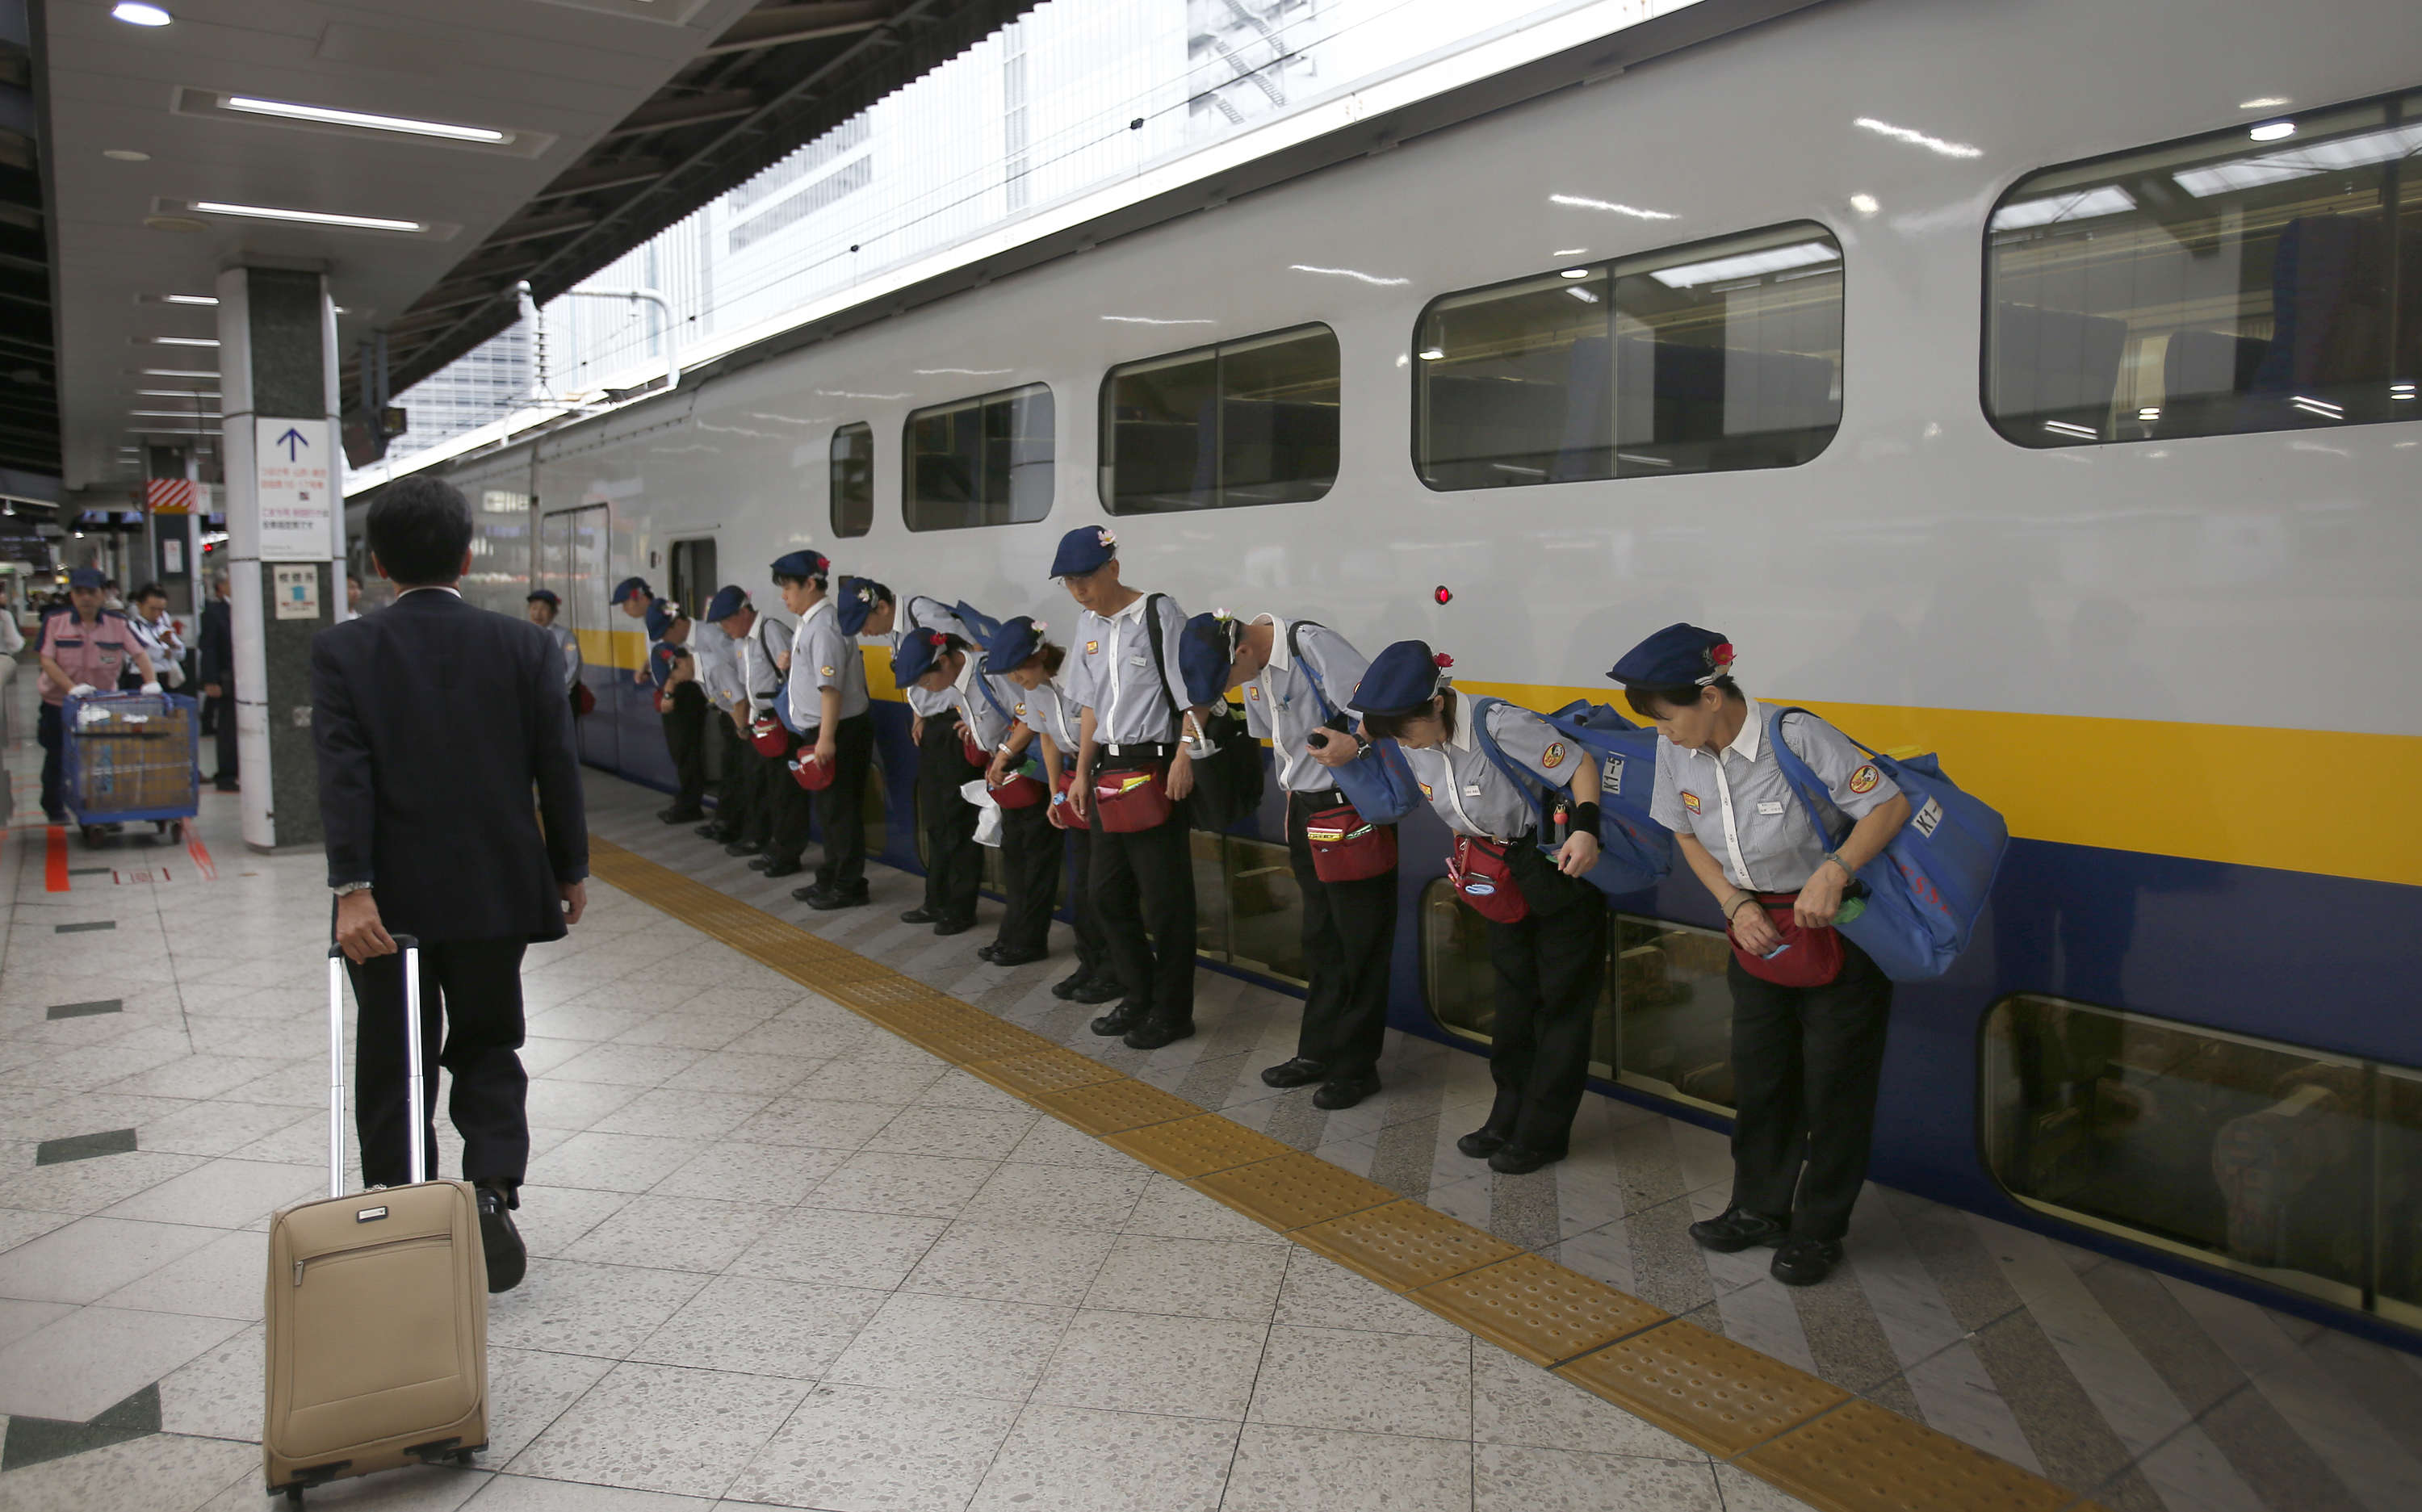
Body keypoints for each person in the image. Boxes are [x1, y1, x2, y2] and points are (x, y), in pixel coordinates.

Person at [312, 475, 589, 1296]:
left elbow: (344, 778)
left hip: (387, 901)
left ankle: (403, 1213)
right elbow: (556, 769)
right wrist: (568, 867)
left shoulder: (343, 650)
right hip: (493, 889)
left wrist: (351, 886)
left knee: (393, 1054)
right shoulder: (525, 645)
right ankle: (492, 1189)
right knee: (488, 1037)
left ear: (375, 562)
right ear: (468, 556)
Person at [1611, 623, 1911, 1286]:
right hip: (1758, 933)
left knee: (1835, 1087)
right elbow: (1684, 831)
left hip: (1840, 935)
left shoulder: (1794, 737)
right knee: (1762, 1076)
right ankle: (1757, 1208)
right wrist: (1732, 904)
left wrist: (1833, 871)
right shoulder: (1675, 750)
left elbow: (1887, 806)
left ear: (1711, 696)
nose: (1663, 731)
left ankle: (1819, 1228)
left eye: (1667, 717)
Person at [1349, 639, 1603, 1174]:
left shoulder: (1499, 724)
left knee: (1561, 1005)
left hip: (1552, 867)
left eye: (1406, 729)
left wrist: (1585, 829)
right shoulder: (1407, 729)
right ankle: (1506, 1111)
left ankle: (1544, 1131)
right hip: (1495, 874)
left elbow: (1580, 767)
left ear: (1437, 704)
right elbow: (1374, 734)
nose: (1403, 741)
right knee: (1512, 1001)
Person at [1209, 610, 1397, 1110]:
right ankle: (1317, 1051)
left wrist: (1355, 741)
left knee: (1361, 940)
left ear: (1243, 651)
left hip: (1349, 806)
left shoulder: (1312, 646)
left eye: (1226, 677)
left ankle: (1357, 1068)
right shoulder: (1252, 672)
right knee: (1319, 936)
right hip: (1305, 811)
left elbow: (1384, 709)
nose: (1231, 686)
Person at [1056, 525, 1205, 1050]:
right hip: (1107, 772)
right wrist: (1080, 771)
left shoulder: (1160, 614)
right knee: (1105, 894)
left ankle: (1172, 1011)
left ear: (1113, 567)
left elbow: (1195, 695)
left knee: (1166, 901)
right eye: (1069, 582)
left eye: (1085, 578)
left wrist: (1186, 756)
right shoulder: (1087, 625)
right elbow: (1092, 702)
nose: (1078, 590)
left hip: (1157, 765)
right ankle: (1138, 992)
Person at [987, 615, 1118, 999]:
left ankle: (1113, 969)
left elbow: (1093, 729)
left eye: (1019, 669)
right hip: (1073, 783)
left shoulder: (1079, 679)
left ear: (1042, 655)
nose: (1016, 679)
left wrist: (1080, 777)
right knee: (1080, 883)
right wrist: (1054, 796)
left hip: (1100, 774)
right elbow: (1046, 740)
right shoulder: (1038, 690)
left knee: (1104, 884)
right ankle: (1089, 963)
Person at [786, 559, 877, 911]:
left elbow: (831, 688)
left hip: (838, 730)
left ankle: (849, 884)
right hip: (826, 728)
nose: (784, 597)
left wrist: (826, 738)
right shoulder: (810, 623)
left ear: (810, 585)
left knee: (841, 811)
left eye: (789, 588)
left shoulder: (824, 625)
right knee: (829, 811)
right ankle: (830, 877)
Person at [35, 568, 159, 823]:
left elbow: (139, 654)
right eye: (79, 592)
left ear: (103, 595)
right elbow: (46, 660)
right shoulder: (55, 622)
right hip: (59, 703)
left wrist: (152, 682)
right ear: (72, 595)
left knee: (103, 757)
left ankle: (103, 807)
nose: (86, 598)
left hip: (101, 704)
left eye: (91, 592)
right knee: (57, 756)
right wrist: (71, 688)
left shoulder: (118, 624)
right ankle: (54, 806)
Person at [892, 626, 985, 936]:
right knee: (935, 820)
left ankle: (960, 907)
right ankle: (937, 899)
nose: (925, 687)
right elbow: (920, 690)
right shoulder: (922, 660)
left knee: (958, 822)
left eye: (926, 681)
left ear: (944, 663)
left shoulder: (974, 668)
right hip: (933, 731)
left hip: (956, 732)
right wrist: (919, 716)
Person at [706, 584, 793, 868]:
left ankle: (785, 852)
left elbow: (792, 676)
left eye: (727, 621)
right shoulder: (740, 643)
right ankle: (765, 840)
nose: (725, 629)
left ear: (744, 613)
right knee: (760, 785)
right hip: (759, 723)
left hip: (779, 722)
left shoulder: (771, 632)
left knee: (782, 792)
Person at [690, 608, 756, 846]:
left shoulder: (713, 665)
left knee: (745, 775)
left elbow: (738, 701)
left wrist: (740, 730)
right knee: (731, 770)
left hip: (742, 721)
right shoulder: (699, 669)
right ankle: (727, 822)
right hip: (731, 718)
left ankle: (744, 830)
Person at [647, 601, 707, 822]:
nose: (663, 639)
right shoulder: (681, 641)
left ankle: (690, 805)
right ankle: (687, 801)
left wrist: (669, 693)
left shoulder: (702, 636)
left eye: (664, 633)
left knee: (686, 751)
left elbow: (680, 671)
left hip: (687, 699)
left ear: (678, 623)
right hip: (682, 698)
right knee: (681, 752)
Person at [196, 568, 237, 791]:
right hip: (226, 677)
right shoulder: (214, 612)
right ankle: (227, 774)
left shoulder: (248, 606)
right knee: (228, 727)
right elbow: (208, 647)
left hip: (247, 677)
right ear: (221, 586)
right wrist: (210, 680)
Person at [524, 589, 584, 721]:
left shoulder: (565, 636)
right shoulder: (525, 634)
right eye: (534, 608)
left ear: (554, 613)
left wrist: (557, 691)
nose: (538, 613)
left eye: (544, 609)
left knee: (562, 738)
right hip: (535, 698)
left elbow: (574, 666)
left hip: (561, 697)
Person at [124, 583, 188, 690]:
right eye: (153, 609)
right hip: (141, 679)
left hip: (165, 678)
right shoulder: (131, 627)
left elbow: (181, 653)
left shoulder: (162, 628)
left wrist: (172, 646)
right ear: (140, 605)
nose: (157, 614)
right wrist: (164, 651)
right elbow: (144, 652)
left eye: (161, 610)